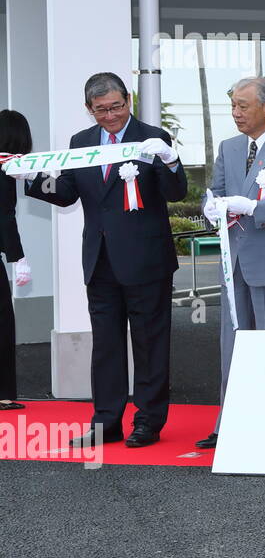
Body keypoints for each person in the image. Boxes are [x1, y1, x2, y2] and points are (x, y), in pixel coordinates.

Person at [25, 73, 187, 447]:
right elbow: (66, 194)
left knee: (150, 344)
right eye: (101, 110)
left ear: (128, 100)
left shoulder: (153, 137)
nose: (110, 116)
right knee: (107, 346)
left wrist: (171, 160)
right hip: (99, 261)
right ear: (89, 109)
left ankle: (148, 421)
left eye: (116, 106)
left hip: (147, 260)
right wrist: (30, 179)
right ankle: (106, 421)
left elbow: (175, 192)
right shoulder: (80, 143)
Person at [195, 77, 265, 450]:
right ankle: (227, 420)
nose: (236, 113)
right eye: (233, 106)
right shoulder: (229, 147)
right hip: (234, 260)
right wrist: (209, 207)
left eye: (243, 106)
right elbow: (215, 189)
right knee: (232, 342)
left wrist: (255, 208)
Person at [0, 110, 35, 410]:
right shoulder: (4, 165)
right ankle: (3, 393)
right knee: (2, 321)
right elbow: (4, 215)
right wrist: (18, 257)